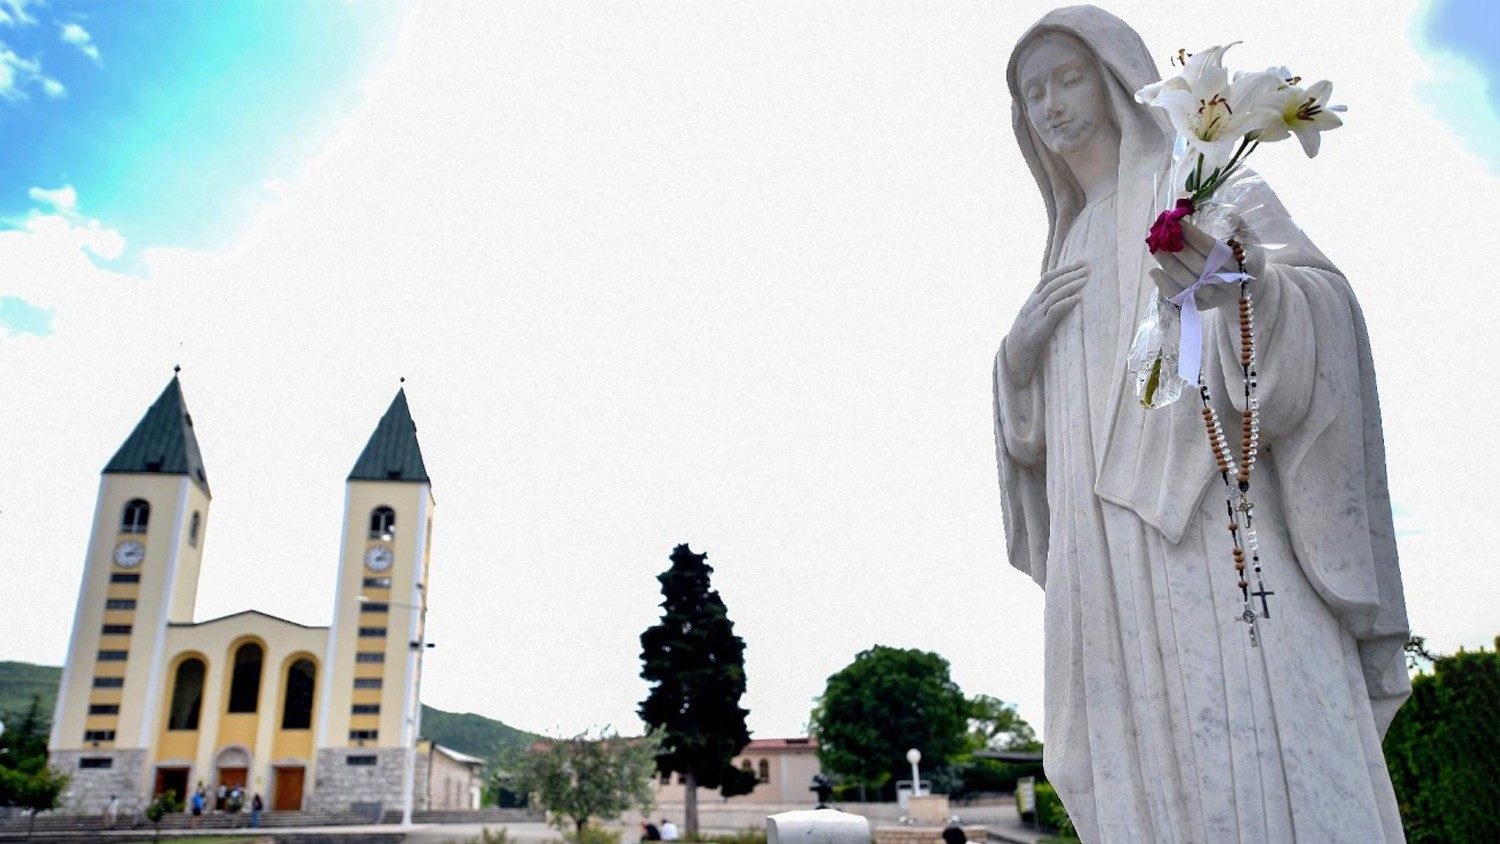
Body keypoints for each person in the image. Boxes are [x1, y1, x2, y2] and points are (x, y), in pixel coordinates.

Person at [994, 7, 1409, 842]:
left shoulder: (1207, 188)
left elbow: (1321, 307)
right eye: (1033, 92)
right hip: (1100, 550)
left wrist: (1243, 289)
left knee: (1245, 719)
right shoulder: (1065, 240)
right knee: (1124, 753)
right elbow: (1036, 437)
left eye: (1068, 77)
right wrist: (1015, 359)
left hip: (1208, 525)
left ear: (1118, 81)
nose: (1050, 105)